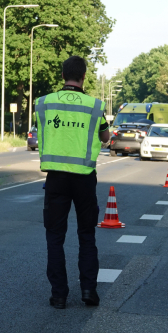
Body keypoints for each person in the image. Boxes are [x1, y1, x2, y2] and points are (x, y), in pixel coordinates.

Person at [36, 55, 111, 310]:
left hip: (55, 179)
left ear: (62, 75)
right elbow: (105, 137)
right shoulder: (95, 106)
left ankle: (59, 295)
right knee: (86, 235)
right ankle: (88, 289)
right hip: (84, 179)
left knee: (55, 237)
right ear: (84, 76)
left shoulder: (44, 103)